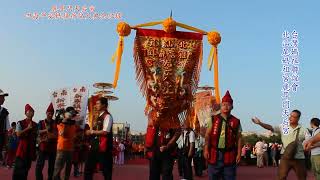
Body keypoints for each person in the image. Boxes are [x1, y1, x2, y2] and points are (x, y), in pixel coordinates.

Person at [252, 109, 308, 180]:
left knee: (302, 178)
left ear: (298, 118)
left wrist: (307, 145)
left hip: (299, 158)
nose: (290, 118)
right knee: (281, 177)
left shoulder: (304, 129)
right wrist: (260, 123)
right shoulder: (284, 126)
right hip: (285, 156)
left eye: (293, 116)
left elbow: (309, 140)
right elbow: (271, 127)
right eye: (290, 115)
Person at [204, 91, 242, 180]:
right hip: (214, 153)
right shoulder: (213, 119)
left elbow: (239, 138)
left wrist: (239, 154)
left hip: (229, 154)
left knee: (229, 177)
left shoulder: (236, 121)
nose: (226, 106)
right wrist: (206, 149)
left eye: (228, 104)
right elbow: (207, 135)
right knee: (213, 177)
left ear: (232, 107)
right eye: (224, 104)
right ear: (221, 105)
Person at [145, 110, 181, 180]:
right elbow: (150, 123)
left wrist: (168, 145)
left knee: (167, 174)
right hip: (154, 151)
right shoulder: (152, 113)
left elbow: (178, 131)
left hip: (167, 151)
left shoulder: (173, 114)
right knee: (154, 175)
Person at [84, 97, 113, 180]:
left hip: (104, 148)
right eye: (96, 103)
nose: (96, 105)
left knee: (106, 171)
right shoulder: (97, 117)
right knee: (88, 169)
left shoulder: (107, 116)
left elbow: (105, 132)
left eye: (98, 103)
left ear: (104, 105)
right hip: (94, 146)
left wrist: (92, 132)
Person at [12, 104, 38, 180]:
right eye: (29, 111)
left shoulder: (35, 125)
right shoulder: (20, 123)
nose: (31, 113)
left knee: (25, 171)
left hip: (30, 151)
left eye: (32, 111)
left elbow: (36, 137)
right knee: (18, 172)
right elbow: (18, 134)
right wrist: (27, 128)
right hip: (21, 151)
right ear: (25, 113)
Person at [53, 107, 79, 180]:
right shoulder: (61, 123)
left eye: (73, 113)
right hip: (62, 149)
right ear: (66, 114)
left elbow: (75, 134)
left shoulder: (73, 124)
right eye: (71, 113)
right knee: (58, 169)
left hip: (70, 149)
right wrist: (65, 122)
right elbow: (63, 134)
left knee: (67, 170)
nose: (72, 115)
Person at [36, 103, 58, 180]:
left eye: (52, 113)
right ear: (46, 113)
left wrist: (51, 134)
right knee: (39, 165)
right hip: (43, 146)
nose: (50, 114)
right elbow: (38, 131)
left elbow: (56, 134)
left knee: (52, 166)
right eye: (49, 113)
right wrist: (46, 130)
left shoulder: (55, 123)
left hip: (53, 147)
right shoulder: (41, 122)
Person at [0, 89, 10, 162]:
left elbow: (6, 129)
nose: (4, 99)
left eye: (4, 97)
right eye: (2, 97)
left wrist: (6, 144)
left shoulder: (5, 112)